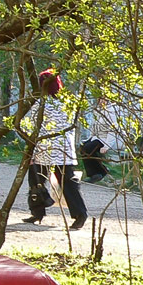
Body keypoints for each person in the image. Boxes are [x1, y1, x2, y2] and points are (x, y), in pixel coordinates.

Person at [23, 69, 88, 229]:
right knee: (68, 183)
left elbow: (28, 126)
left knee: (36, 181)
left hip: (43, 149)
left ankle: (38, 211)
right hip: (64, 150)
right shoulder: (68, 104)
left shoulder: (40, 104)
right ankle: (80, 214)